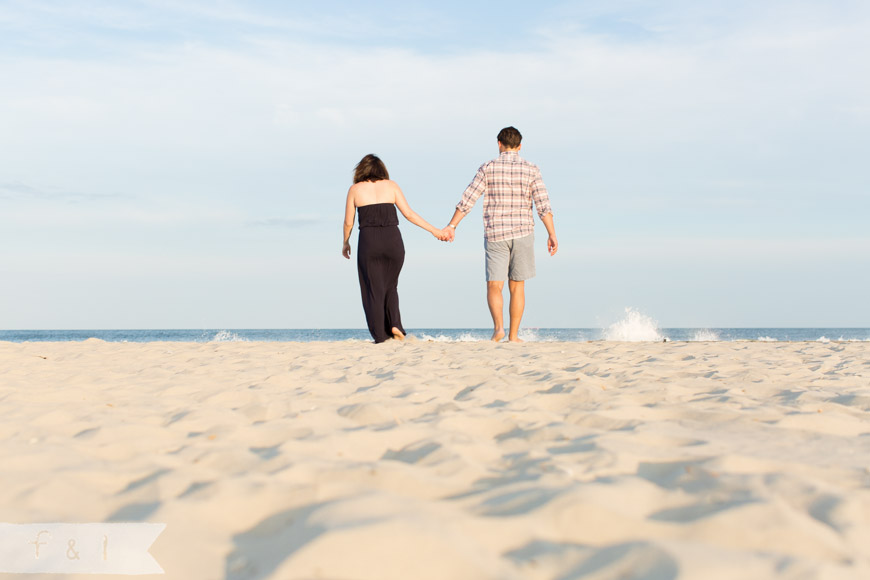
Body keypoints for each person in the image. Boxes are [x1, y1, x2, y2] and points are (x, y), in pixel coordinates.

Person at [440, 127, 558, 342]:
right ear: (520, 146)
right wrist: (551, 233)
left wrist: (452, 225)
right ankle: (513, 336)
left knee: (495, 285)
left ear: (499, 143)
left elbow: (468, 199)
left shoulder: (488, 168)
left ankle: (498, 329)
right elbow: (543, 204)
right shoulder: (531, 169)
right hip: (523, 232)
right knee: (517, 286)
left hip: (496, 233)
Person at [343, 154, 447, 343]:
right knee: (391, 285)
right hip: (393, 241)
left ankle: (381, 336)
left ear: (361, 170)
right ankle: (395, 325)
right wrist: (434, 230)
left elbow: (348, 222)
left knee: (374, 289)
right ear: (381, 169)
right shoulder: (391, 186)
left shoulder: (355, 190)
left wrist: (346, 242)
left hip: (369, 242)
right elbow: (409, 214)